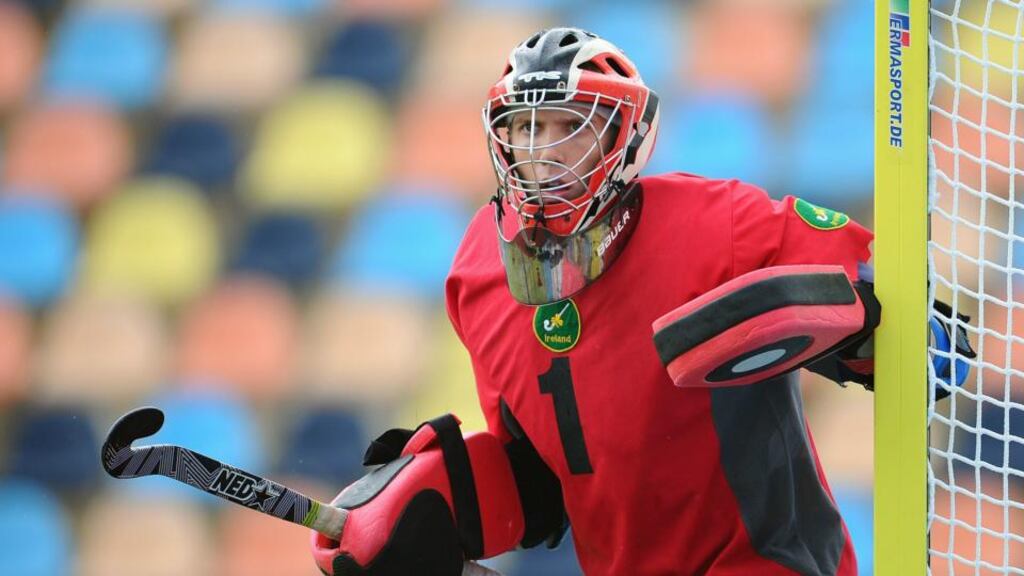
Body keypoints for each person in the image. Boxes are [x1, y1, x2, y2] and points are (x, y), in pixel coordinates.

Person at [309, 27, 968, 576]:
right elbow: (544, 485)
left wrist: (860, 334)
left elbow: (937, 348)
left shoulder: (724, 225)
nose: (544, 154)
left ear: (625, 137)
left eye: (571, 127)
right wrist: (432, 512)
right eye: (526, 129)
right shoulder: (476, 274)